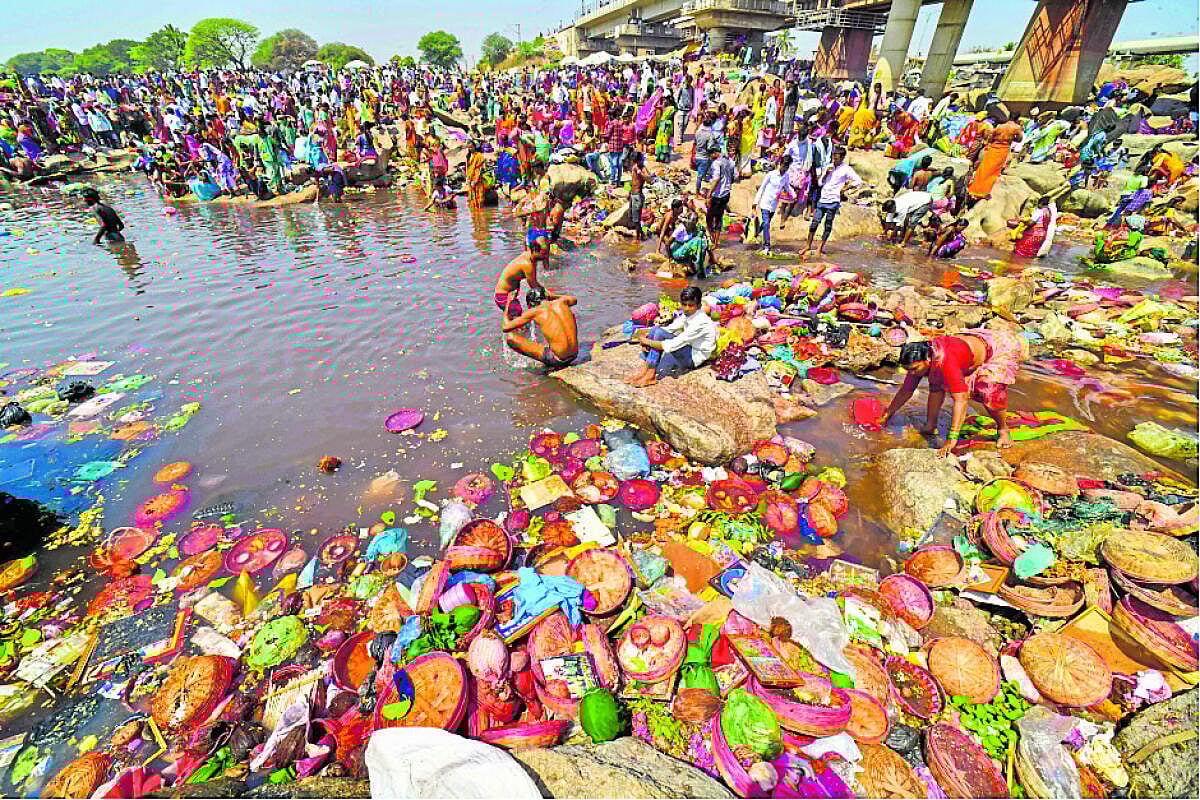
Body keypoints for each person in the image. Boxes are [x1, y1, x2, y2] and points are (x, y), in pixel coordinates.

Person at [881, 331, 1030, 453]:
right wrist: (888, 414)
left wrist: (951, 440)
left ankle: (1003, 429)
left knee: (989, 392)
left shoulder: (945, 361)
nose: (911, 373)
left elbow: (961, 399)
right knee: (936, 382)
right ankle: (930, 425)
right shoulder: (922, 361)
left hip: (993, 351)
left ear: (927, 359)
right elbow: (906, 390)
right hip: (961, 351)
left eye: (914, 369)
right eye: (908, 370)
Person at [626, 286, 717, 387]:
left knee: (659, 333)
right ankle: (644, 370)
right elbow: (670, 328)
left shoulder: (701, 322)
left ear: (699, 305)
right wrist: (648, 337)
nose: (686, 308)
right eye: (684, 305)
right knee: (655, 330)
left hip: (693, 358)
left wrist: (647, 342)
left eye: (691, 305)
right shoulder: (688, 314)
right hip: (689, 348)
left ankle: (651, 374)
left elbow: (672, 345)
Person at [800, 147, 860, 257]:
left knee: (828, 224)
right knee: (814, 223)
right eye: (833, 157)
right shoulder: (829, 166)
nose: (834, 159)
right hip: (823, 199)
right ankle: (808, 245)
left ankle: (820, 248)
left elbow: (857, 180)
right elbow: (819, 183)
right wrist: (826, 174)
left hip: (834, 200)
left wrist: (845, 188)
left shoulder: (846, 169)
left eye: (836, 158)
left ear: (842, 158)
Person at [502, 286, 579, 371]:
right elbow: (574, 299)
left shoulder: (536, 311)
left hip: (559, 360)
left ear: (531, 304)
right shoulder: (562, 302)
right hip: (575, 354)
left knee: (510, 338)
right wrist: (552, 296)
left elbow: (505, 327)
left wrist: (508, 303)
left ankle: (548, 364)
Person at [967, 116, 1023, 202]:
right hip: (1003, 150)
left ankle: (974, 190)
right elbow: (1019, 140)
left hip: (993, 148)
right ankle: (984, 192)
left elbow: (990, 137)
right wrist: (1011, 138)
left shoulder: (999, 126)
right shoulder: (1016, 128)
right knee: (994, 171)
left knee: (984, 169)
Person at [752, 154, 792, 256]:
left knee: (765, 223)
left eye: (787, 167)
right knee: (766, 224)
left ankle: (756, 232)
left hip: (773, 205)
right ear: (780, 164)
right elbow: (762, 188)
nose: (785, 168)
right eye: (784, 165)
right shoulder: (771, 174)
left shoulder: (786, 176)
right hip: (765, 202)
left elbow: (787, 187)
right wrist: (755, 203)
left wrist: (794, 195)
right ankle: (766, 245)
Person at [705, 145, 735, 259]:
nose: (710, 157)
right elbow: (734, 175)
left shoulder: (716, 163)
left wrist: (709, 194)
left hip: (718, 195)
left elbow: (716, 179)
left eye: (711, 155)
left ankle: (714, 241)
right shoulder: (729, 160)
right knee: (719, 217)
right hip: (726, 193)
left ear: (714, 153)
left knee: (710, 218)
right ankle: (716, 242)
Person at [493, 251, 543, 317]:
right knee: (517, 320)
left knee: (517, 319)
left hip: (506, 295)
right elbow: (534, 286)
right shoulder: (527, 264)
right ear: (535, 249)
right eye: (544, 252)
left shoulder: (528, 256)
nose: (545, 255)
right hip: (503, 297)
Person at [627, 150, 649, 240]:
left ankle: (640, 237)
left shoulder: (643, 168)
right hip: (633, 194)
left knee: (636, 219)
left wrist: (641, 174)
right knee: (632, 217)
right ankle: (640, 235)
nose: (634, 162)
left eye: (636, 161)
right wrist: (629, 193)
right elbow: (633, 181)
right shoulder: (634, 167)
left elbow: (649, 179)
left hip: (638, 196)